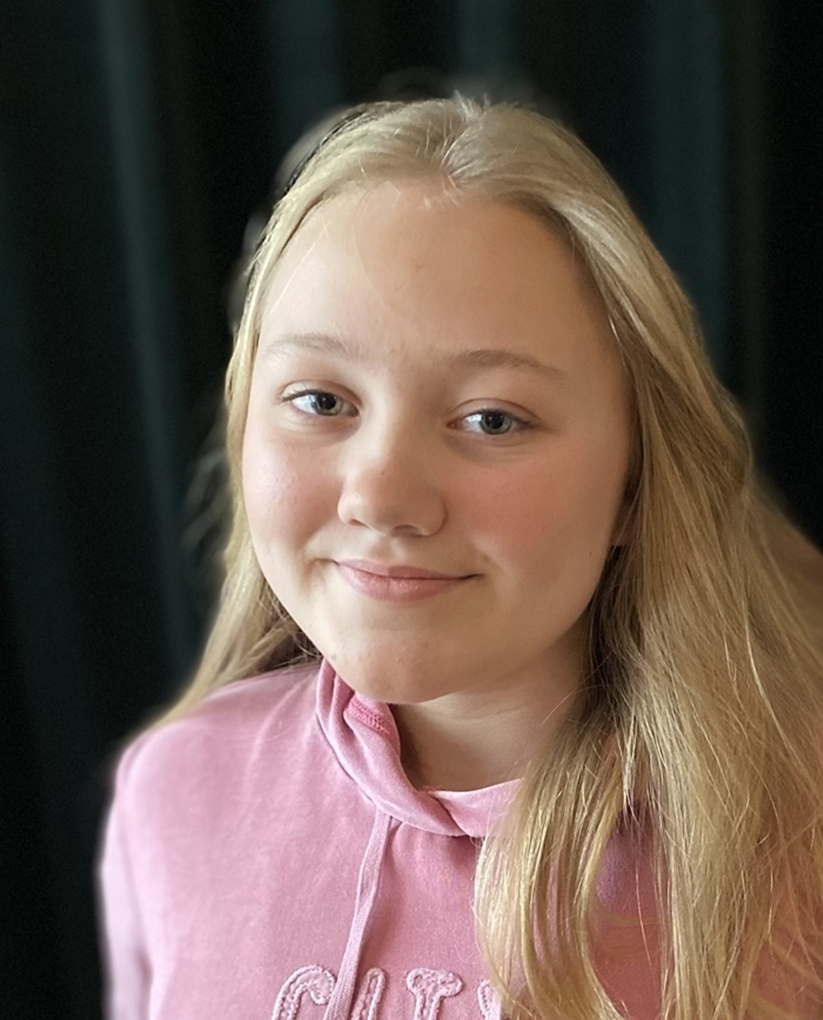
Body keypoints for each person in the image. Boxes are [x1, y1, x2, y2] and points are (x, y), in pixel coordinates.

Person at [99, 97, 823, 1020]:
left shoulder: (794, 839)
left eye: (492, 419)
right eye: (321, 402)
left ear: (637, 483)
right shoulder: (173, 794)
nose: (381, 497)